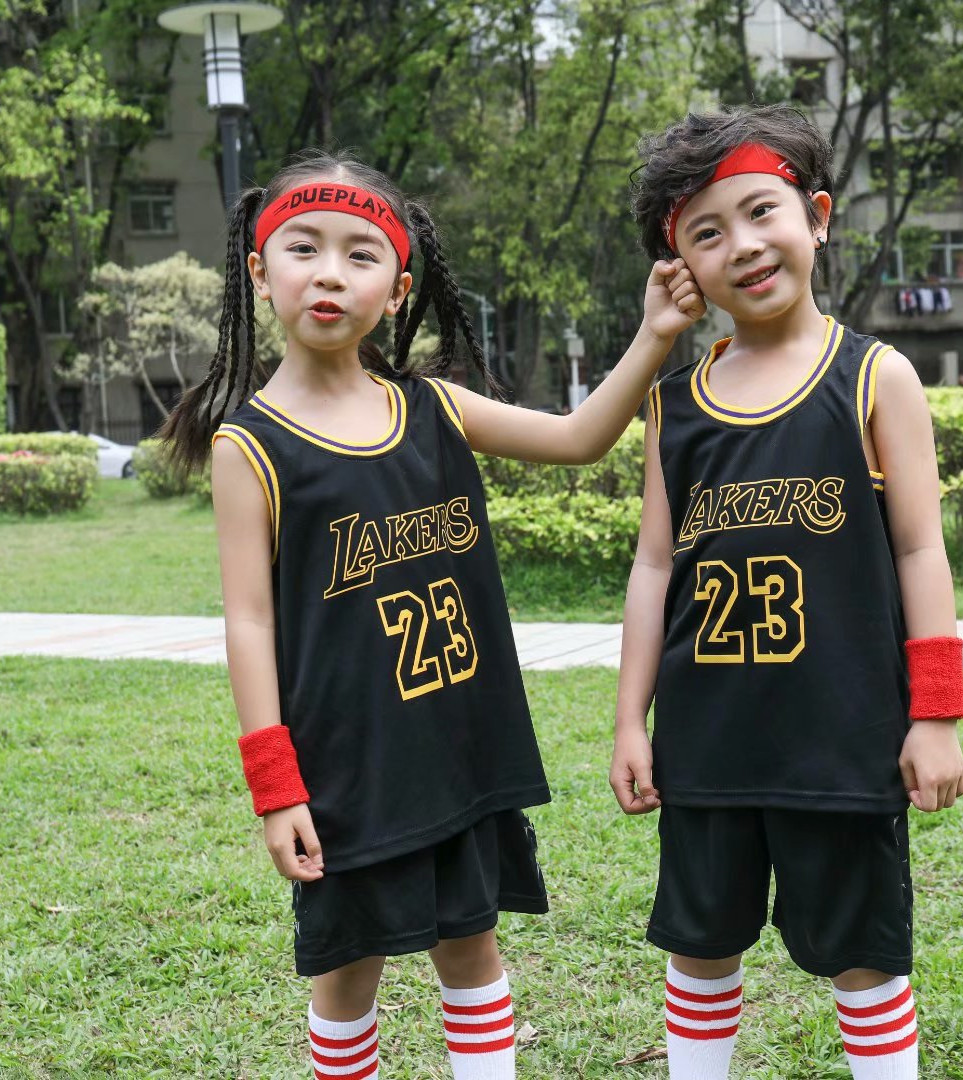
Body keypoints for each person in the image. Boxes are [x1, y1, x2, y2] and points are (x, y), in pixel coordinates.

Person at [161, 148, 704, 1080]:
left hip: (460, 744)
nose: (330, 273)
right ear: (260, 272)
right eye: (303, 248)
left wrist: (655, 333)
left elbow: (580, 438)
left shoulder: (437, 409)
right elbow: (248, 623)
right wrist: (276, 787)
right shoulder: (248, 447)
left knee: (473, 950)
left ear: (398, 288)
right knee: (349, 970)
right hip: (349, 766)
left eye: (360, 254)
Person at [608, 106, 963, 1079]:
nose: (742, 245)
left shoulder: (876, 377)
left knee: (864, 960)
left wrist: (935, 714)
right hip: (707, 744)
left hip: (844, 742)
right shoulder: (674, 408)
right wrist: (631, 720)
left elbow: (920, 550)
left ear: (816, 216)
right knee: (700, 950)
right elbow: (653, 567)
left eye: (761, 211)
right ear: (682, 267)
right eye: (706, 232)